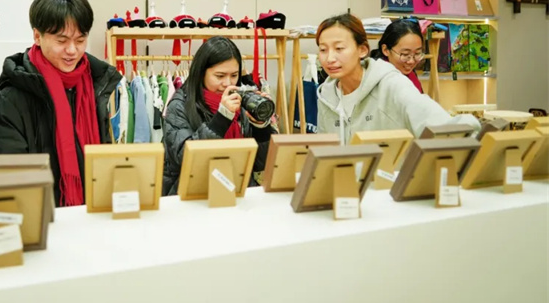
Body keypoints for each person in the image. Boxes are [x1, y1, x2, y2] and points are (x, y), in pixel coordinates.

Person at [0, 0, 120, 207]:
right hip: (40, 219)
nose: (72, 50)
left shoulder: (94, 89)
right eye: (61, 40)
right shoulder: (8, 104)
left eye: (80, 40)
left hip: (92, 215)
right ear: (37, 36)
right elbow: (9, 185)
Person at [316, 13, 479, 144]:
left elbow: (442, 126)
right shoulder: (326, 96)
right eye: (323, 50)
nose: (330, 58)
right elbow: (324, 152)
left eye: (339, 48)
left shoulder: (392, 84)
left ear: (362, 50)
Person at [162, 37, 277, 196]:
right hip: (192, 193)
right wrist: (222, 118)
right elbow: (184, 157)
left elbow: (261, 163)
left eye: (234, 75)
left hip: (237, 189)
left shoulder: (241, 102)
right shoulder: (179, 105)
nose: (228, 83)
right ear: (201, 73)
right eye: (220, 76)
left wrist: (260, 127)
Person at [370, 19, 424, 92]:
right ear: (385, 50)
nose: (411, 61)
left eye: (417, 53)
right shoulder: (378, 79)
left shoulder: (411, 75)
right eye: (405, 54)